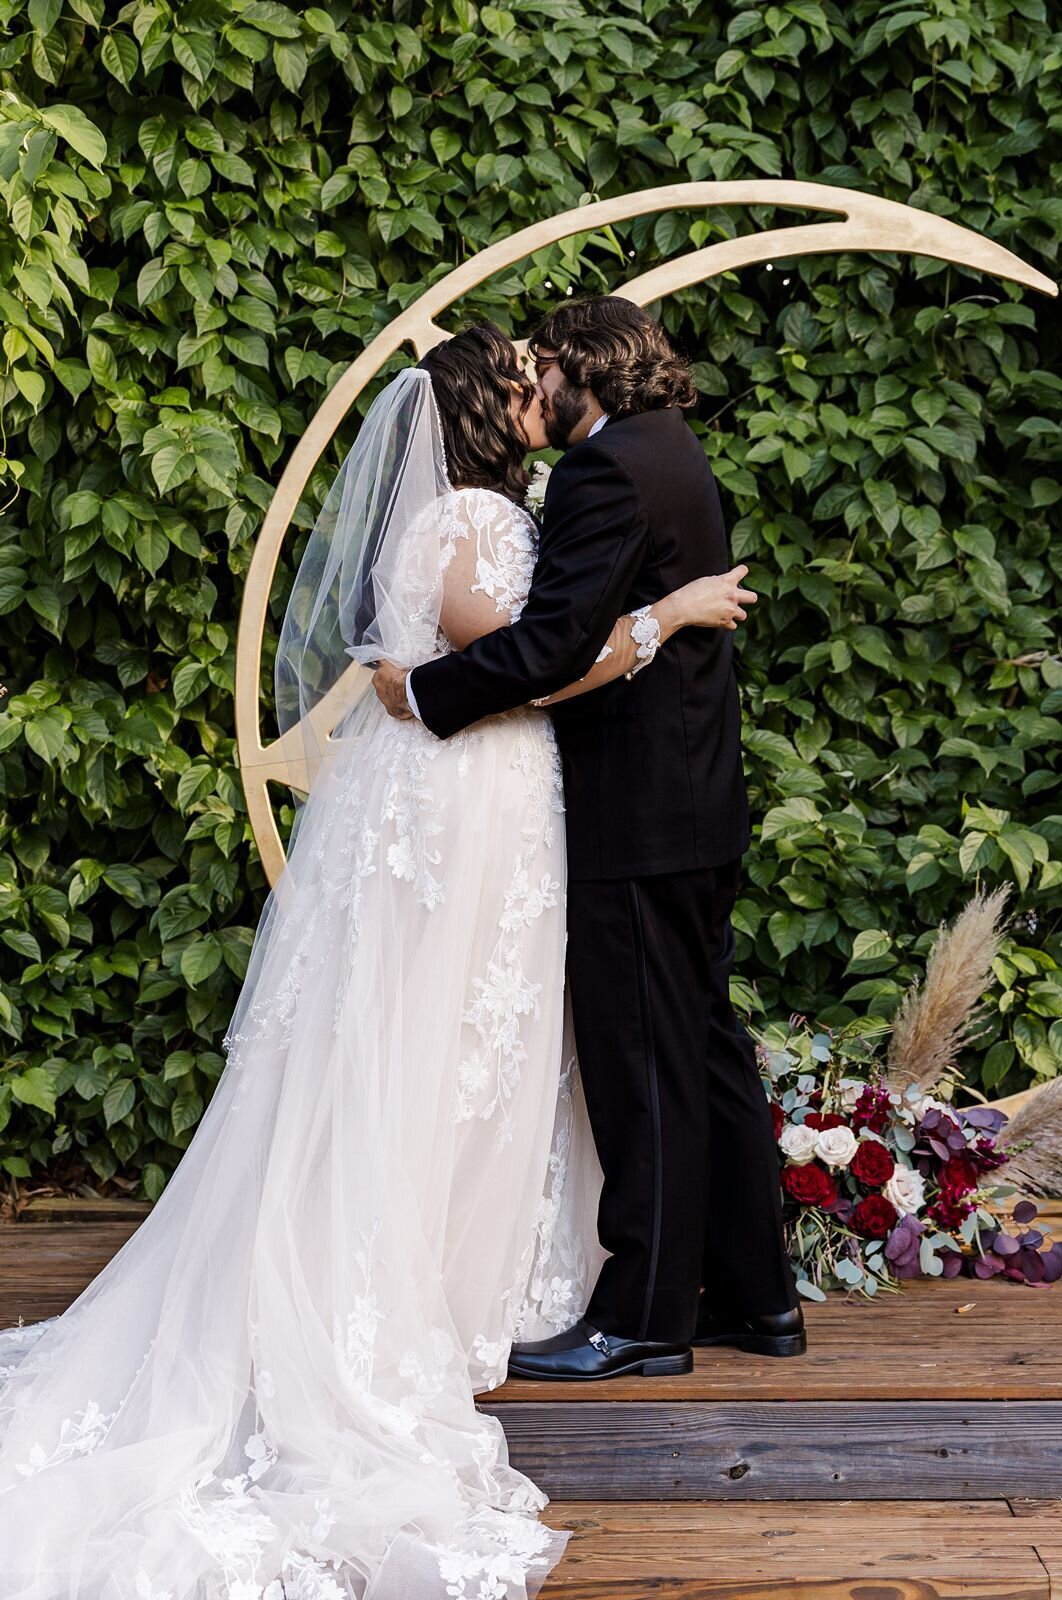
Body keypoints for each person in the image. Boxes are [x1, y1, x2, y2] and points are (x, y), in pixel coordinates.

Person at [0, 323, 754, 1600]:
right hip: (464, 797)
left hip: (490, 799)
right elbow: (528, 667)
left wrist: (567, 637)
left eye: (540, 372)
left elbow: (488, 660)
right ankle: (402, 1282)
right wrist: (662, 614)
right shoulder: (466, 521)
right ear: (479, 407)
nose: (537, 390)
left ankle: (488, 1262)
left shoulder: (502, 505)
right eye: (518, 379)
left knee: (483, 1035)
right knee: (432, 1030)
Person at [372, 298, 805, 1383]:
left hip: (640, 811)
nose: (536, 387)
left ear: (582, 371)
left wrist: (422, 691)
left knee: (642, 1063)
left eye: (546, 367)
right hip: (694, 804)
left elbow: (553, 645)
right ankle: (760, 1298)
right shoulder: (673, 448)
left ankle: (645, 1318)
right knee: (704, 1049)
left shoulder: (606, 470)